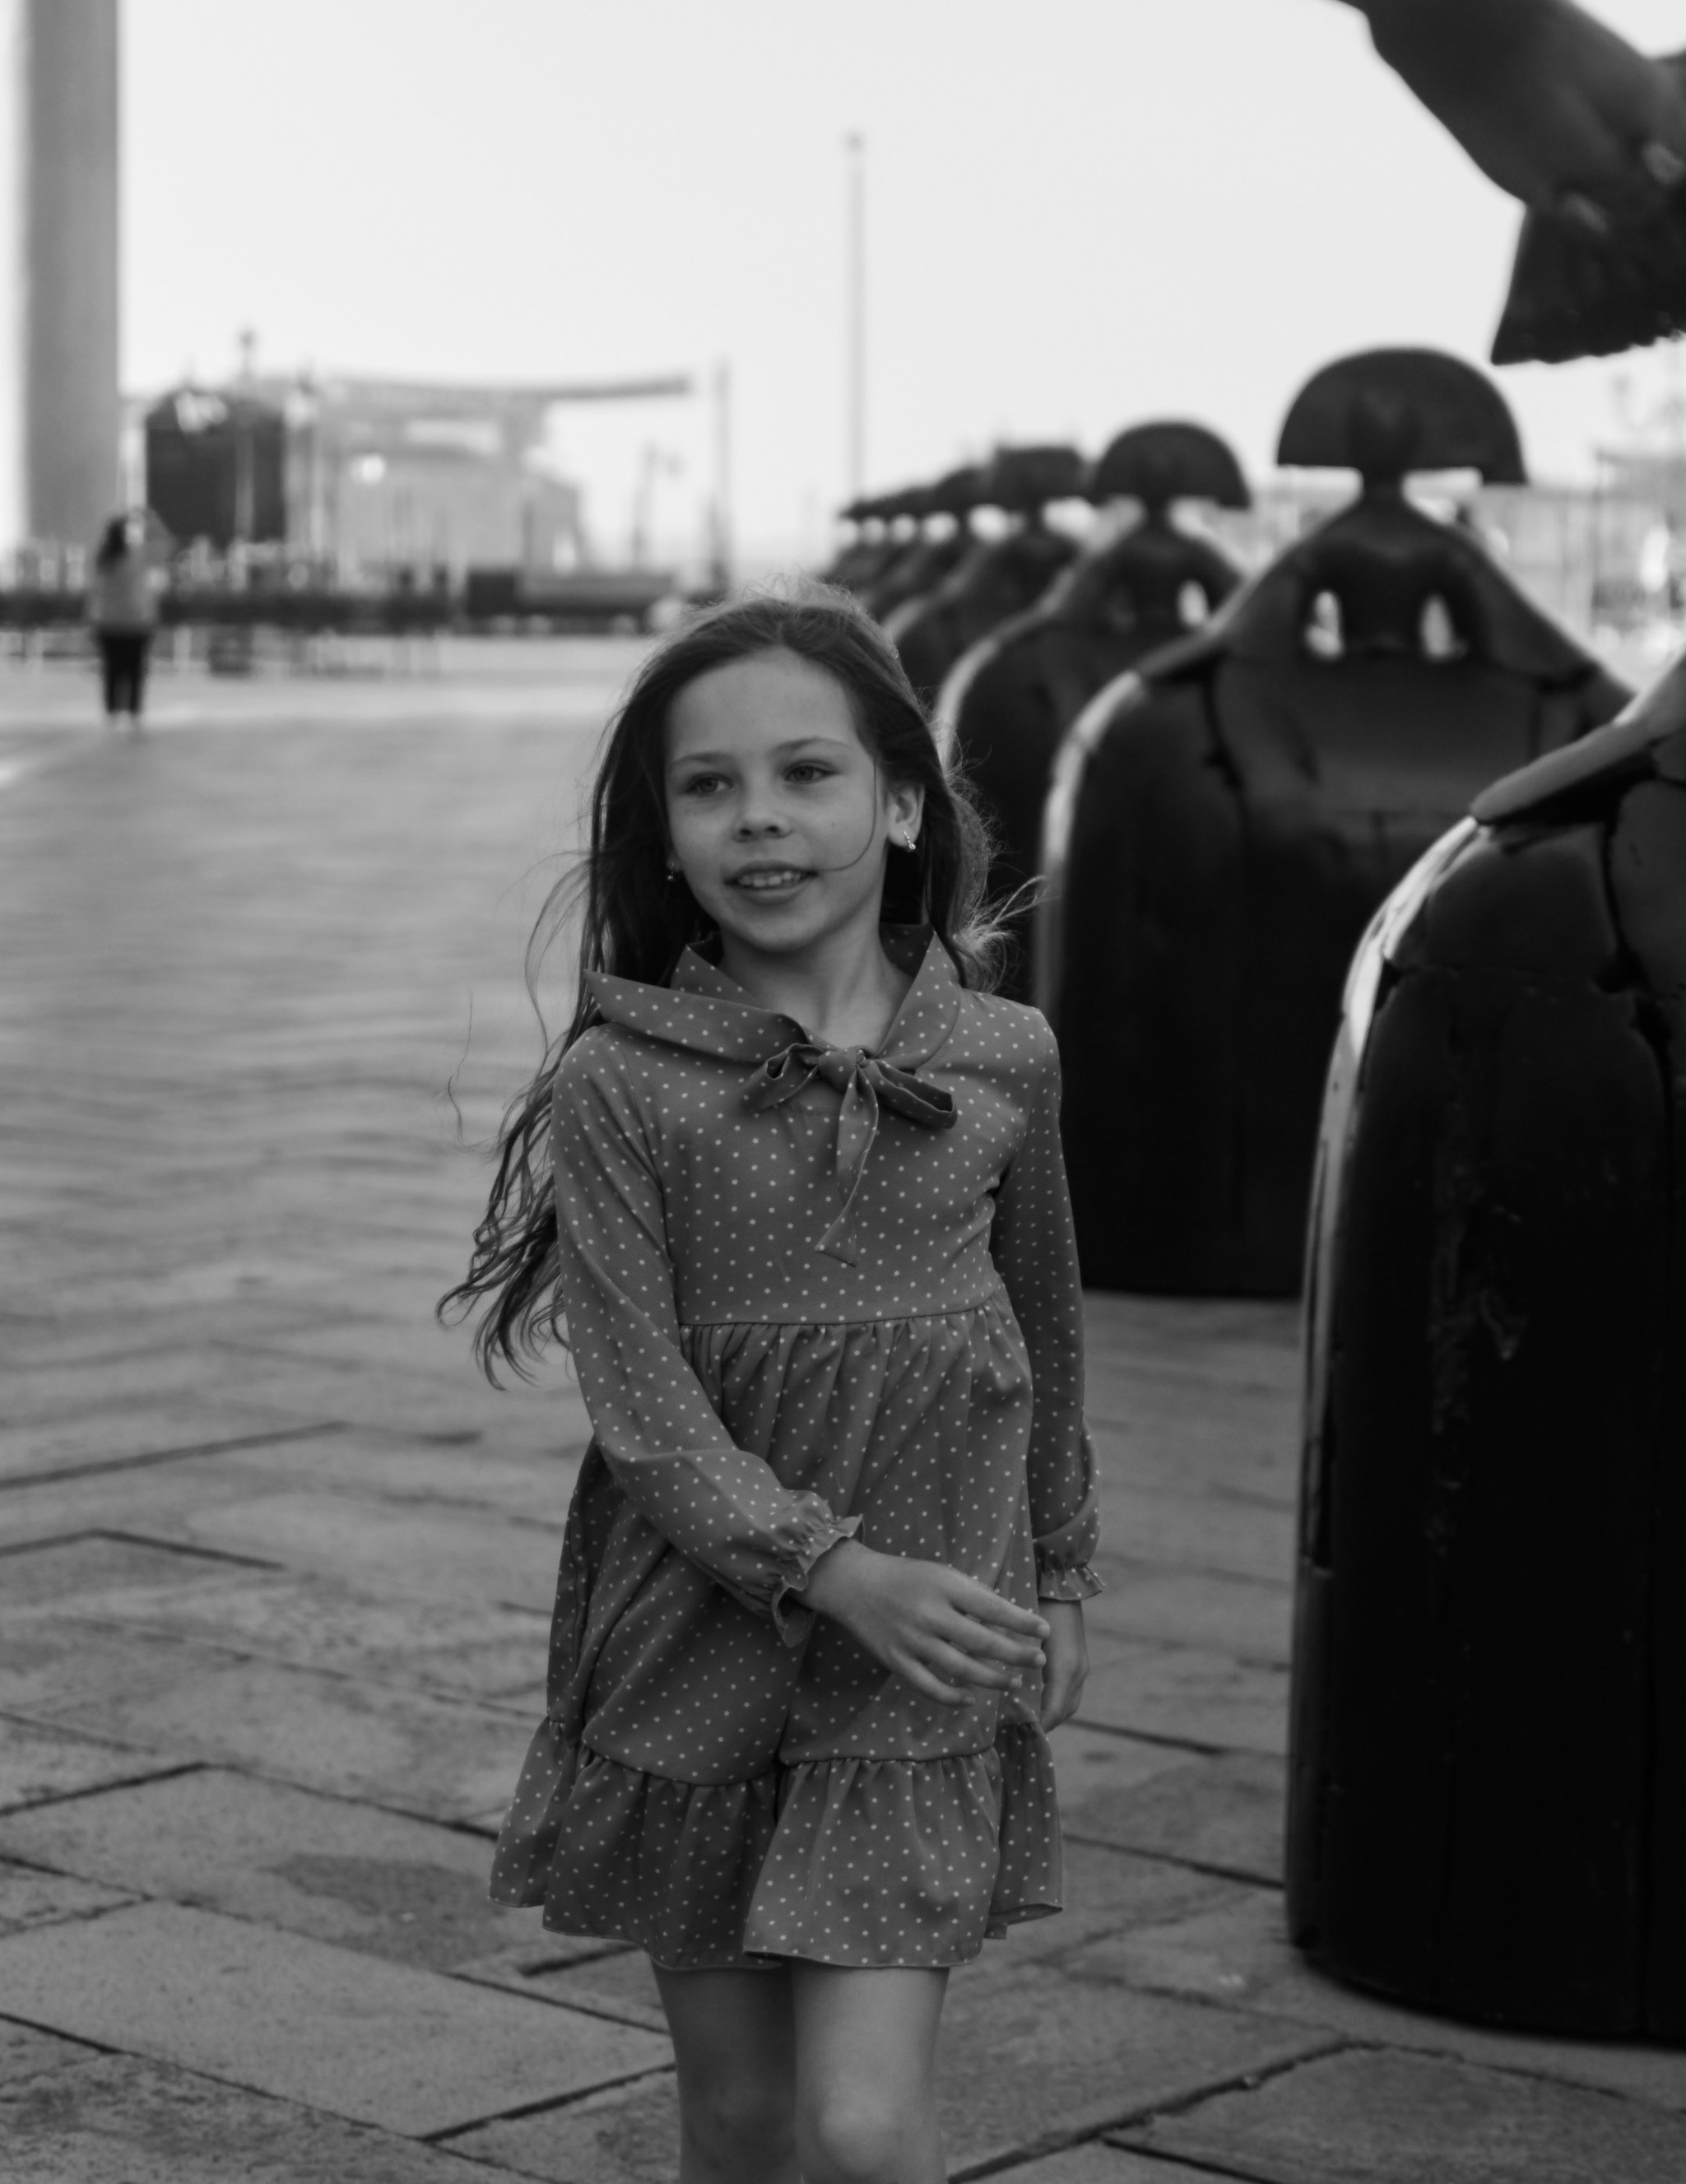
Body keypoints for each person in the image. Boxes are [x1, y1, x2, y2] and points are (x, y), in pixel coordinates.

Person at [445, 588, 1098, 2184]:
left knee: (867, 2134)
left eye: (807, 775)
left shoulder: (1002, 1055)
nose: (761, 823)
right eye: (708, 786)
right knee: (737, 2126)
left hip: (925, 1635)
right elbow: (645, 1411)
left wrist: (1063, 1559)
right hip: (700, 1636)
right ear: (661, 832)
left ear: (896, 799)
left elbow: (1047, 1322)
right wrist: (825, 1568)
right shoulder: (624, 1080)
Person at [88, 513, 161, 723]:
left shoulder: (102, 559)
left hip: (108, 622)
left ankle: (111, 713)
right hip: (135, 622)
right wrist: (148, 519)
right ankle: (133, 713)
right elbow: (162, 546)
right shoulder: (136, 556)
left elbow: (94, 592)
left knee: (112, 670)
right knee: (134, 671)